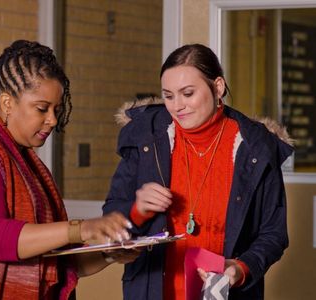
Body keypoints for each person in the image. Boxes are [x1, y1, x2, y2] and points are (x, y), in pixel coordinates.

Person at [0, 40, 135, 300]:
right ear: (7, 103)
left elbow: (58, 263)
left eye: (57, 110)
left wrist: (109, 253)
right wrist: (82, 228)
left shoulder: (31, 167)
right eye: (42, 108)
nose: (53, 120)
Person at [103, 44, 294, 299]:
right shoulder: (145, 137)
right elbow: (109, 216)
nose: (177, 106)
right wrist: (138, 209)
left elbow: (273, 234)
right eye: (168, 96)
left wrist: (241, 268)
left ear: (218, 87)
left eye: (188, 93)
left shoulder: (256, 147)